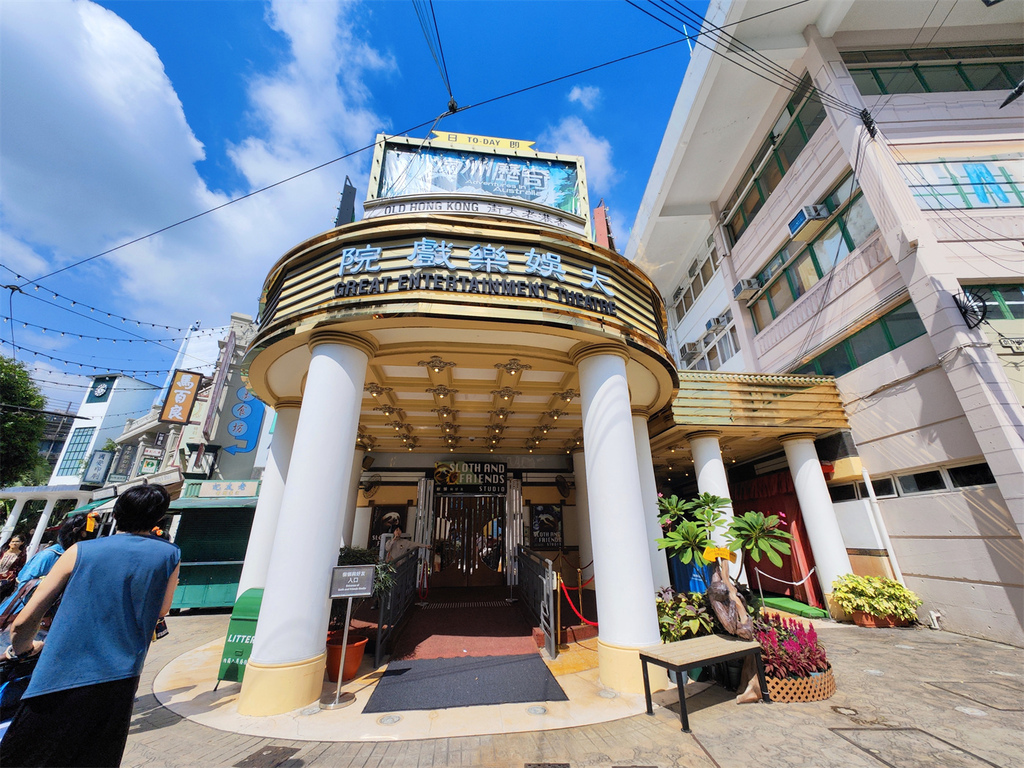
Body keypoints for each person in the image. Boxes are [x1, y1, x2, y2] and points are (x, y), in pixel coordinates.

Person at [0, 484, 181, 767]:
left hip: (57, 675)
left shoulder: (79, 551)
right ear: (158, 519)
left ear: (118, 513)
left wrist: (22, 649)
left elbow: (26, 619)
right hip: (120, 679)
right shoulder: (169, 556)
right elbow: (162, 609)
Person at [0, 516, 94, 621]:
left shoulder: (76, 557)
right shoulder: (50, 555)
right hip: (21, 612)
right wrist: (53, 582)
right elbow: (25, 584)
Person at [0, 535, 27, 601]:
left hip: (6, 581)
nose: (14, 543)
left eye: (17, 541)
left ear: (22, 542)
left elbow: (20, 568)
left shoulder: (21, 555)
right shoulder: (3, 552)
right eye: (12, 541)